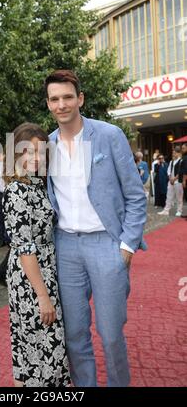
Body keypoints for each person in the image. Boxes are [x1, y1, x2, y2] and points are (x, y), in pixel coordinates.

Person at [45, 69, 147, 387]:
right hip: (65, 246)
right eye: (54, 99)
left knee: (111, 332)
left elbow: (135, 194)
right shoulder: (45, 145)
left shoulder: (108, 134)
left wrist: (127, 247)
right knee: (75, 335)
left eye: (67, 97)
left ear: (80, 99)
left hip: (107, 244)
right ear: (48, 104)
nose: (62, 105)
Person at [3, 123, 70, 388]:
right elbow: (25, 247)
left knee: (39, 346)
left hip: (45, 273)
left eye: (41, 152)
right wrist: (43, 296)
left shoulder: (36, 185)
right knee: (42, 346)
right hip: (31, 280)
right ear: (15, 154)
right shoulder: (17, 191)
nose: (36, 157)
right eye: (28, 152)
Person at [158, 146, 183, 217]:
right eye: (173, 153)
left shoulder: (181, 161)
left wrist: (174, 179)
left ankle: (179, 210)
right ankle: (166, 210)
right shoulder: (171, 161)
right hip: (171, 181)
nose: (173, 154)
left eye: (174, 153)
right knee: (168, 196)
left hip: (178, 181)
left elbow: (180, 172)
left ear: (178, 153)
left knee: (179, 197)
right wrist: (170, 178)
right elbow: (168, 171)